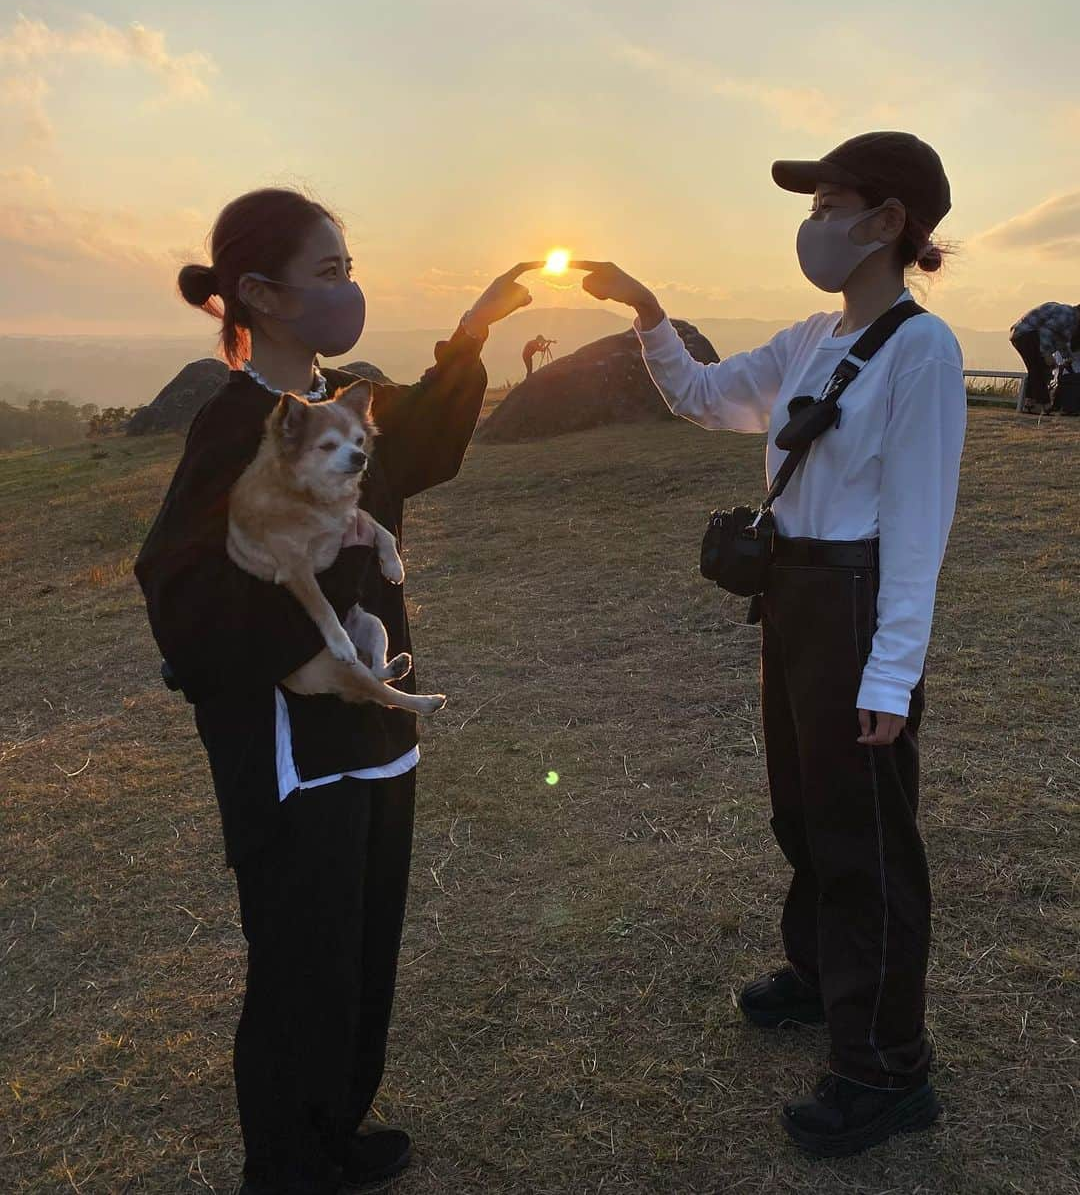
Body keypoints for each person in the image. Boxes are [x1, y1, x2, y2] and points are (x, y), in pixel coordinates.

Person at [134, 188, 539, 1195]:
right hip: (287, 746)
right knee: (301, 957)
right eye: (329, 273)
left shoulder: (348, 398)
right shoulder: (239, 426)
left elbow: (424, 444)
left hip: (372, 722)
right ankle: (286, 1164)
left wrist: (474, 334)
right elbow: (179, 588)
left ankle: (333, 1127)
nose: (349, 288)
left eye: (351, 268)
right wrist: (298, 631)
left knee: (363, 941)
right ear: (261, 295)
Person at [573, 132, 966, 1157]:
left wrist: (894, 669)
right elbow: (703, 399)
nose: (813, 223)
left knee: (866, 838)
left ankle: (886, 1069)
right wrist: (649, 313)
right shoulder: (810, 336)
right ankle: (818, 972)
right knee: (803, 808)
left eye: (831, 204)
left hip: (854, 601)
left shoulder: (923, 350)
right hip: (792, 595)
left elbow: (921, 525)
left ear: (888, 222)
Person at [1009, 300, 1080, 412]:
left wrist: (1067, 357)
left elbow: (1061, 340)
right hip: (1027, 334)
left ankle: (1030, 403)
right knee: (1040, 369)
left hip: (1020, 334)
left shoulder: (1069, 318)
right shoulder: (1069, 315)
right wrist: (1046, 353)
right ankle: (1043, 404)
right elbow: (1046, 331)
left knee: (1036, 368)